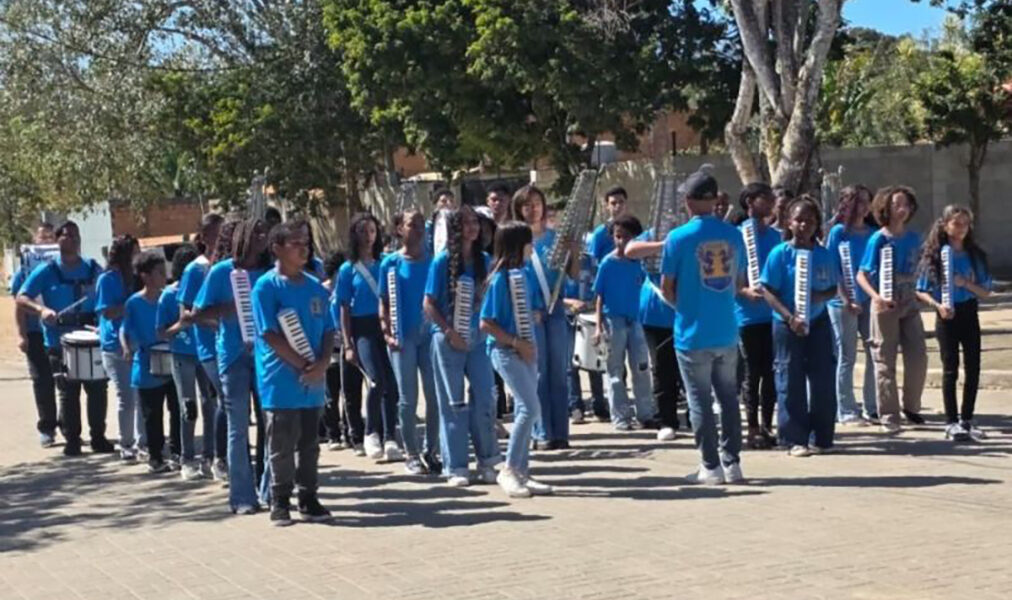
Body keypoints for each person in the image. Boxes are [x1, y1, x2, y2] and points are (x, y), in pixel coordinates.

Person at [660, 172, 745, 485]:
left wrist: (682, 305)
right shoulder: (734, 235)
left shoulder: (678, 238)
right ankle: (733, 461)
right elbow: (738, 284)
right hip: (726, 328)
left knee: (700, 401)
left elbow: (667, 286)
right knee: (728, 398)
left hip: (692, 332)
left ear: (688, 201)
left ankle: (710, 465)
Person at [252, 220, 334, 526]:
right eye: (296, 243)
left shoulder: (315, 287)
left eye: (305, 242)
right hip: (280, 380)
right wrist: (303, 366)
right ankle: (279, 499)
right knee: (281, 444)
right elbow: (270, 335)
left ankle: (308, 498)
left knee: (310, 445)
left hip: (312, 381)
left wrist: (323, 362)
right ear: (277, 249)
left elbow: (328, 329)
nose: (304, 248)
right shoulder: (266, 287)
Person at [194, 217, 271, 514]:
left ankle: (269, 490)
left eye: (264, 233)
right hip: (233, 357)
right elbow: (197, 313)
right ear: (242, 238)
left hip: (266, 357)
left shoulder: (269, 272)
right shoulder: (222, 272)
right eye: (256, 233)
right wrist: (226, 310)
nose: (262, 238)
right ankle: (241, 496)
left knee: (271, 424)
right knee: (238, 428)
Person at [17, 221, 113, 457]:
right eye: (64, 235)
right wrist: (41, 311)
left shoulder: (93, 268)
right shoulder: (47, 270)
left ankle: (98, 436)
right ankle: (72, 439)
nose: (68, 239)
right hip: (59, 342)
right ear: (57, 241)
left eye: (73, 235)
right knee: (68, 392)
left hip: (91, 337)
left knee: (98, 389)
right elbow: (21, 297)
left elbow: (106, 295)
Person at [424, 205, 501, 486]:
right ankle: (455, 465)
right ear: (456, 228)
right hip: (447, 340)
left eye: (476, 223)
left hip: (478, 341)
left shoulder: (485, 260)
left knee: (484, 397)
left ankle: (489, 460)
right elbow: (429, 303)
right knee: (453, 403)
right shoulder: (441, 262)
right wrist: (448, 331)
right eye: (466, 223)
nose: (472, 228)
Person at [760, 196, 839, 456]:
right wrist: (789, 317)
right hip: (787, 325)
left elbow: (832, 288)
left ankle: (822, 436)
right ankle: (794, 438)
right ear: (789, 223)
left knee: (823, 379)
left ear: (817, 224)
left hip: (818, 322)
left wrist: (820, 296)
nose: (804, 225)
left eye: (810, 220)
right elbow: (768, 290)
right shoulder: (780, 254)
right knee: (789, 379)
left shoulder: (825, 254)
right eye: (799, 219)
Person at [481, 221, 553, 498]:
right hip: (506, 351)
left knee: (531, 409)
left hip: (525, 349)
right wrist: (516, 342)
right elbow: (486, 323)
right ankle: (509, 469)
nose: (531, 248)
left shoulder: (522, 275)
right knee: (528, 409)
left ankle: (523, 471)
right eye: (527, 243)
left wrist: (532, 317)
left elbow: (530, 307)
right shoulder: (499, 279)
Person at [915, 205, 992, 442]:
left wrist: (965, 284)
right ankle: (951, 421)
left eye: (965, 224)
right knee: (951, 368)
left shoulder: (974, 255)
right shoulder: (935, 256)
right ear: (946, 225)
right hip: (946, 315)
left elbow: (986, 291)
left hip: (969, 312)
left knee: (973, 366)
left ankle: (967, 419)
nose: (961, 229)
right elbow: (921, 290)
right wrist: (937, 306)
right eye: (956, 224)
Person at [513, 185, 580, 450]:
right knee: (537, 373)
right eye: (526, 205)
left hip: (556, 312)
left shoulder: (556, 238)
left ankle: (560, 433)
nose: (532, 209)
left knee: (559, 372)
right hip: (532, 314)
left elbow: (573, 274)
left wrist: (573, 252)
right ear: (519, 209)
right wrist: (526, 310)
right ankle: (541, 432)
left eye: (536, 203)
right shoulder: (516, 242)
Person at [856, 186, 927, 434]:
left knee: (918, 354)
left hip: (909, 301)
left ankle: (912, 407)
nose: (903, 209)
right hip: (885, 303)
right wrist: (875, 297)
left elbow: (922, 268)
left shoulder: (914, 237)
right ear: (885, 208)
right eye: (897, 204)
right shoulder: (879, 238)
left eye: (906, 204)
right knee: (885, 360)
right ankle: (888, 415)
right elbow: (862, 274)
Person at [381, 209, 440, 475]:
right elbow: (382, 301)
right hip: (402, 338)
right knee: (407, 399)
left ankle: (433, 449)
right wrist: (387, 333)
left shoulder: (434, 261)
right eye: (411, 225)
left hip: (430, 337)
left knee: (434, 395)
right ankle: (411, 453)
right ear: (399, 230)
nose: (416, 229)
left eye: (420, 225)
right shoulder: (390, 264)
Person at [338, 213, 402, 462]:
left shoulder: (386, 262)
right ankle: (370, 432)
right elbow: (343, 307)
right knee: (375, 380)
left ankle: (390, 436)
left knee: (391, 383)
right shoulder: (347, 269)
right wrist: (347, 343)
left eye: (372, 231)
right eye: (363, 231)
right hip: (361, 327)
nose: (368, 236)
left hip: (385, 325)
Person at [157, 244, 215, 480]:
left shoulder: (206, 293)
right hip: (182, 354)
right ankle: (187, 458)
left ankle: (210, 456)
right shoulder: (169, 296)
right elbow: (161, 332)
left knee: (211, 404)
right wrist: (182, 324)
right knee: (188, 407)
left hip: (205, 352)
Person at [593, 214, 656, 431]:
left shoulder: (640, 263)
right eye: (618, 236)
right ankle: (620, 416)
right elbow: (599, 296)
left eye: (627, 237)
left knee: (641, 367)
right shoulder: (607, 263)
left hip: (636, 320)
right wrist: (598, 326)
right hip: (614, 321)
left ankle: (645, 413)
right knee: (615, 371)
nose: (622, 242)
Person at [179, 215, 229, 483]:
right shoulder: (195, 270)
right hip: (207, 346)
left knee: (224, 402)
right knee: (222, 398)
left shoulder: (228, 267)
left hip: (230, 344)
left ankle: (220, 455)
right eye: (216, 233)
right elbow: (185, 311)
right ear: (204, 237)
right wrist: (213, 320)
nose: (221, 239)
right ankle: (215, 457)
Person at [121, 251, 180, 473]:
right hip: (146, 364)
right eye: (158, 272)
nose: (164, 276)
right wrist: (127, 348)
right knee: (152, 414)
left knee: (177, 408)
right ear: (145, 276)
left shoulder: (169, 297)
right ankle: (155, 457)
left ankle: (177, 452)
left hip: (172, 359)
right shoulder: (134, 303)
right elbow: (125, 330)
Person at [825, 186, 878, 425]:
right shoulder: (838, 233)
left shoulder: (873, 233)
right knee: (846, 356)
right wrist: (847, 299)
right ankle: (845, 409)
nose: (864, 207)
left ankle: (872, 406)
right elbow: (831, 268)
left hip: (868, 301)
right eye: (858, 202)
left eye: (867, 202)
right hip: (842, 303)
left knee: (874, 352)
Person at [734, 183, 782, 449]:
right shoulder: (739, 235)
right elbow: (729, 276)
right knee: (752, 373)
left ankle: (767, 424)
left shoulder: (775, 237)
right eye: (766, 198)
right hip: (747, 315)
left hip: (772, 315)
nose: (771, 202)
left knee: (771, 373)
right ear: (751, 201)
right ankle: (751, 427)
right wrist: (742, 290)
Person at [625, 219, 681, 441]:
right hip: (657, 312)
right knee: (662, 367)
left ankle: (695, 416)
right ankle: (667, 419)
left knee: (691, 368)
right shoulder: (651, 233)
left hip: (688, 309)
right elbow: (630, 250)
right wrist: (664, 244)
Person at [95, 235, 143, 461]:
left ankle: (142, 440)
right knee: (126, 396)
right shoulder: (108, 279)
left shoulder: (135, 278)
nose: (138, 256)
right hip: (115, 345)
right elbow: (107, 312)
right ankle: (126, 442)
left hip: (138, 339)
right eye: (135, 251)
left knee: (141, 393)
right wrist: (131, 304)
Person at [11, 223, 59, 447]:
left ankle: (70, 427)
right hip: (35, 332)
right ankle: (47, 428)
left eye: (51, 238)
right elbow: (19, 305)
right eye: (43, 238)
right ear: (34, 242)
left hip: (59, 333)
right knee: (42, 381)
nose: (47, 242)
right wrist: (22, 335)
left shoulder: (62, 268)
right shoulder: (25, 272)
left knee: (66, 382)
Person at [322, 251, 365, 453]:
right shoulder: (322, 292)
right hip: (330, 349)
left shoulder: (350, 291)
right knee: (331, 394)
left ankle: (352, 432)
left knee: (351, 393)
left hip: (348, 346)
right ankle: (333, 434)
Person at [564, 246, 609, 425]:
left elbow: (598, 288)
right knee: (570, 364)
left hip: (589, 315)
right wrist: (570, 302)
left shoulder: (591, 261)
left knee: (594, 363)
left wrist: (593, 305)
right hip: (567, 317)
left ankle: (599, 405)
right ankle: (575, 406)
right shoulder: (558, 263)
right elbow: (553, 293)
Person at [588, 186, 628, 264]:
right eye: (613, 203)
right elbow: (592, 261)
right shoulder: (600, 232)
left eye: (621, 202)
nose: (618, 206)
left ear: (626, 204)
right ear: (607, 206)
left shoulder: (634, 230)